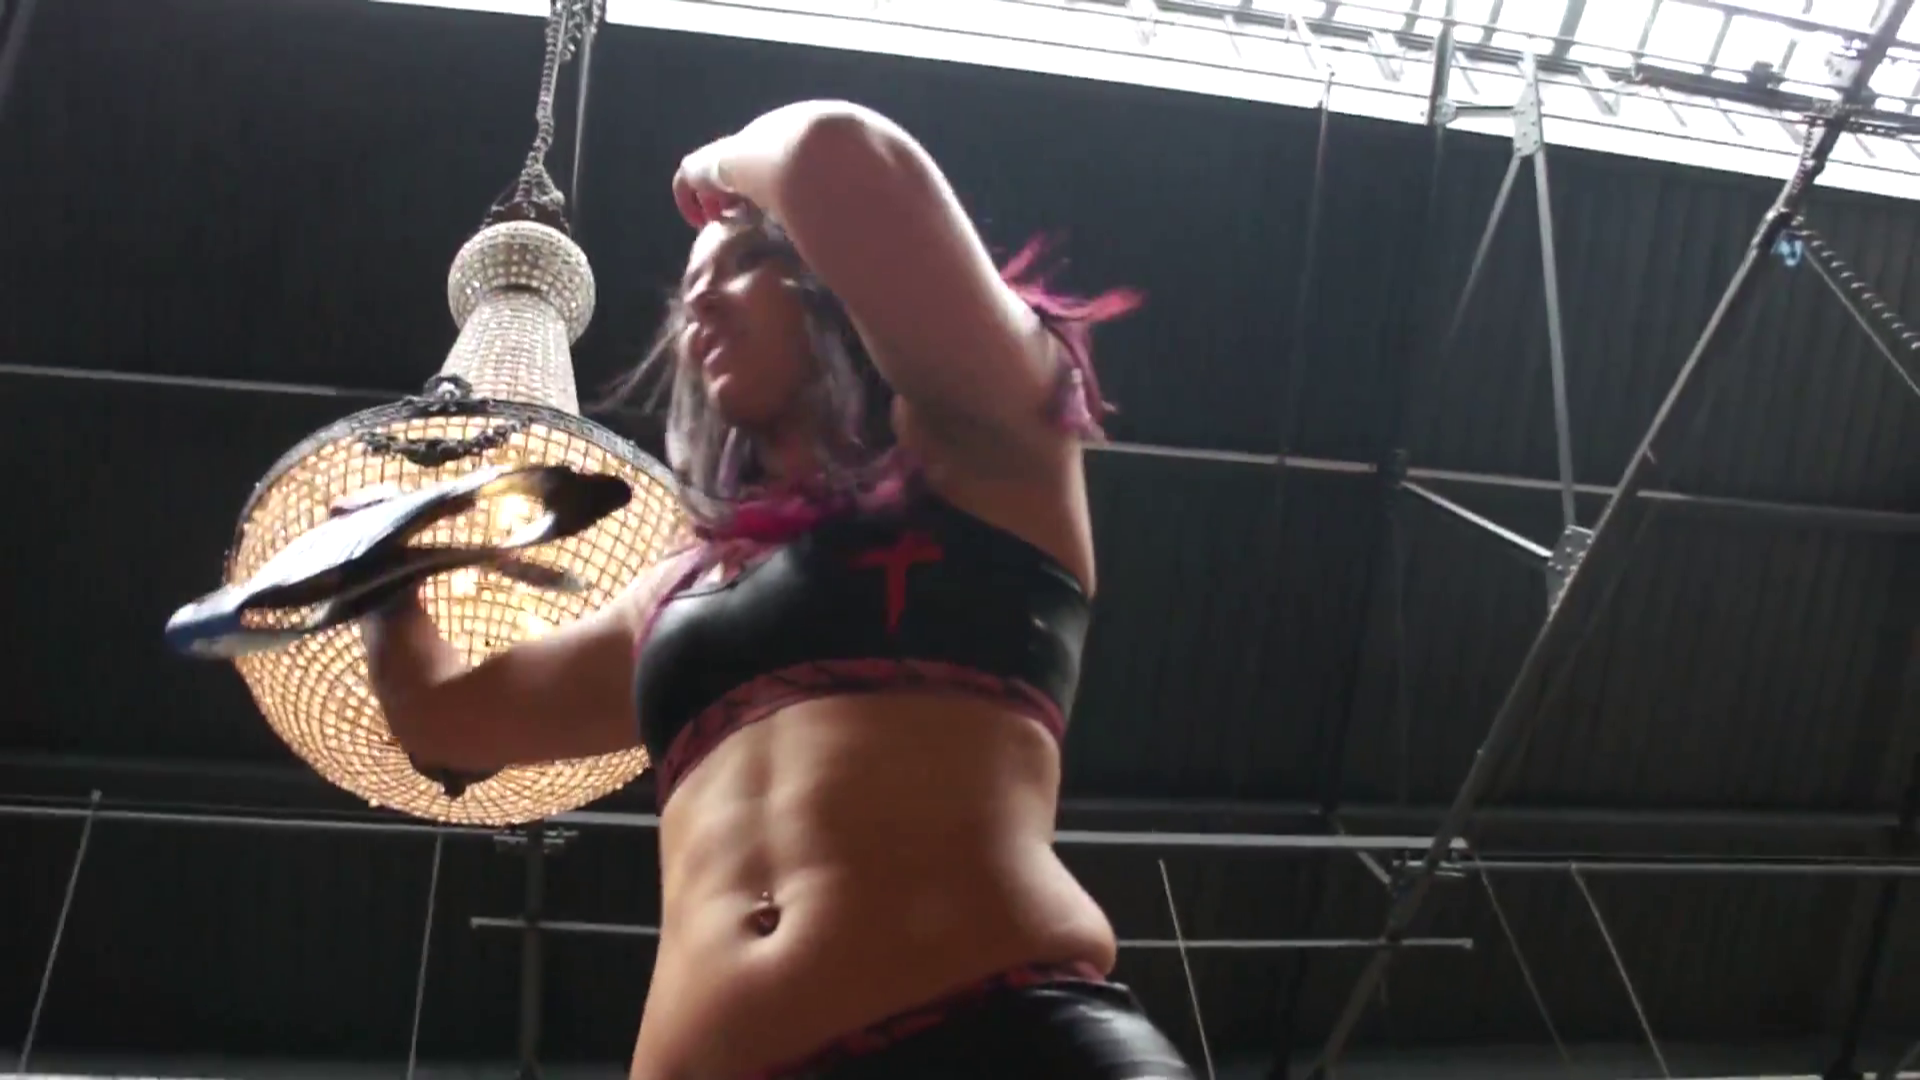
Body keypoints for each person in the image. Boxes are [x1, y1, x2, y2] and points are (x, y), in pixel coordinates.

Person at [364, 99, 1190, 1080]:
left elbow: (836, 152)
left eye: (743, 266)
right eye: (691, 293)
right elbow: (447, 718)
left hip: (1004, 1042)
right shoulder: (679, 591)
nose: (701, 308)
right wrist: (377, 564)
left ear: (832, 279)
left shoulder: (990, 438)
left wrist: (717, 167)